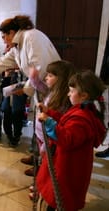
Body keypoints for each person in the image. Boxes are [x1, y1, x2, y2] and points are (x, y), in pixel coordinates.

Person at [36, 70, 107, 211]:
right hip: (69, 163)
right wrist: (49, 112)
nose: (68, 94)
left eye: (71, 91)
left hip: (67, 166)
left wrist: (49, 122)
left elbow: (67, 138)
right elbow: (65, 121)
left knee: (59, 196)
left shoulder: (82, 118)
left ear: (84, 96)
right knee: (57, 195)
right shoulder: (83, 110)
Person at [0, 15, 60, 94]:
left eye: (4, 37)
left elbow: (40, 68)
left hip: (54, 85)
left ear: (11, 33)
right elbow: (2, 63)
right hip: (42, 87)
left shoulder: (30, 37)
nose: (4, 42)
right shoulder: (17, 46)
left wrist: (25, 89)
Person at [22, 60, 78, 177]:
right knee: (41, 156)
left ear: (61, 79)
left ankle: (40, 177)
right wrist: (33, 78)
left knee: (47, 161)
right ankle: (38, 170)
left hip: (49, 140)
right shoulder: (52, 91)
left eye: (50, 75)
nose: (46, 78)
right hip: (41, 135)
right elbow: (39, 85)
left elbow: (59, 122)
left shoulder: (63, 99)